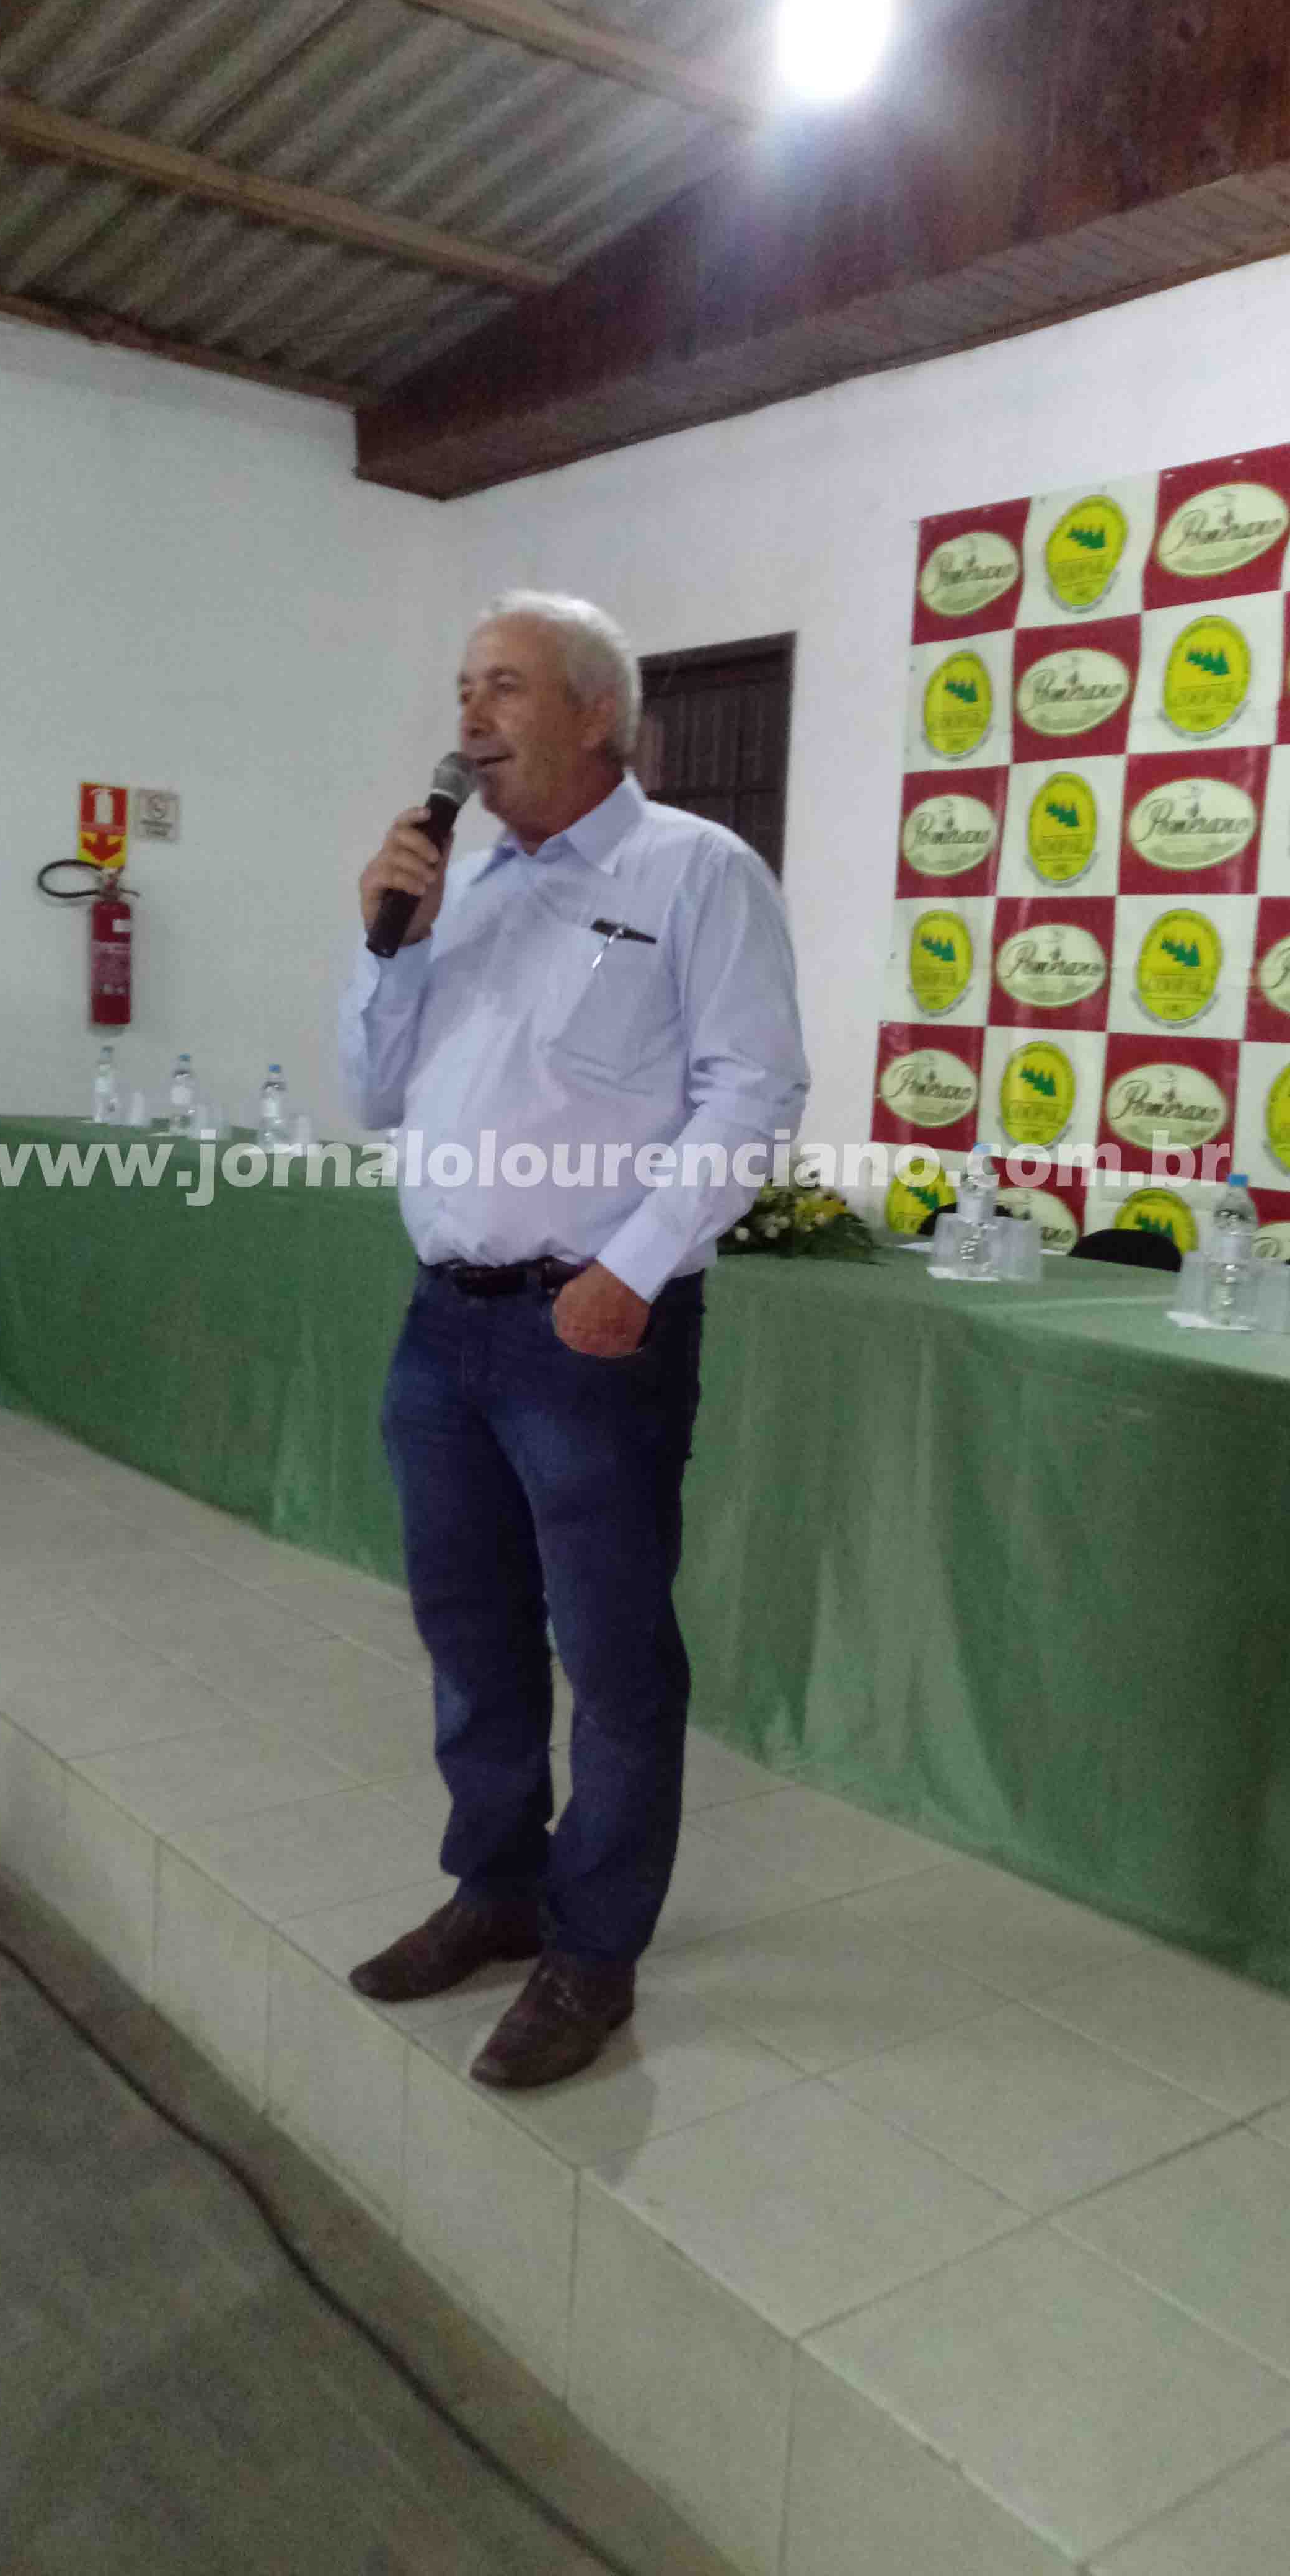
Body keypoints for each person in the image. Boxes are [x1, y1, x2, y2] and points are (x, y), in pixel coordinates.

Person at [337, 592, 808, 2087]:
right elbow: (373, 1094)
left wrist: (635, 1266)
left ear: (597, 712)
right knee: (469, 1635)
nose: (469, 716)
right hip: (444, 1329)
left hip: (591, 1333)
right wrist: (388, 947)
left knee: (610, 1655)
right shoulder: (463, 888)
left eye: (505, 687)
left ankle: (593, 1950)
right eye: (462, 688)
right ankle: (499, 1887)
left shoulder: (697, 871)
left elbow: (754, 1092)